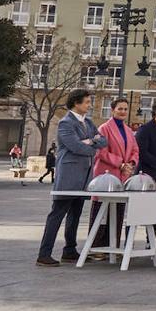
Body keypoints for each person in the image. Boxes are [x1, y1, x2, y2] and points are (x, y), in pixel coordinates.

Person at [36, 89, 108, 266]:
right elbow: (75, 146)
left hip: (84, 177)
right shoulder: (66, 123)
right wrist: (92, 144)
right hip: (69, 176)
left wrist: (90, 141)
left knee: (75, 214)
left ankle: (69, 250)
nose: (89, 105)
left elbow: (104, 141)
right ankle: (44, 253)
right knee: (57, 214)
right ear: (76, 103)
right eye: (86, 102)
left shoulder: (88, 122)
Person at [89, 97, 139, 254]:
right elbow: (100, 151)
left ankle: (113, 247)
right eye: (120, 109)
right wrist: (120, 163)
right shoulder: (104, 128)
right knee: (101, 211)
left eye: (125, 109)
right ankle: (97, 248)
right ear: (113, 110)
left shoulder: (129, 131)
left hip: (123, 175)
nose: (123, 111)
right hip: (106, 174)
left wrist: (131, 163)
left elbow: (135, 150)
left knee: (118, 211)